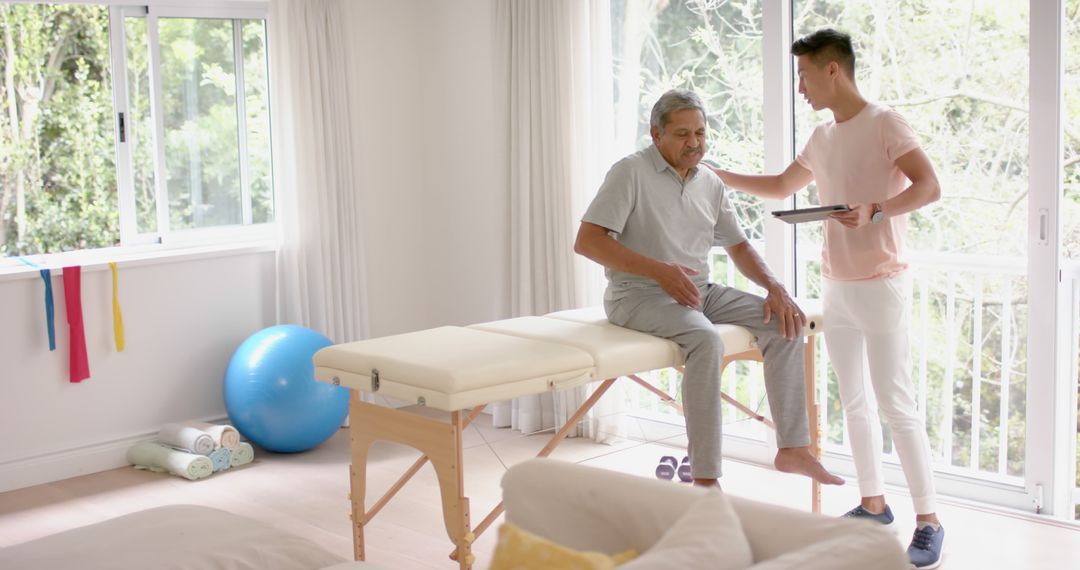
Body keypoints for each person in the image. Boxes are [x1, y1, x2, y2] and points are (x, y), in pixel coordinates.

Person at [710, 29, 944, 569]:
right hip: (837, 287)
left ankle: (929, 520)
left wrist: (876, 209)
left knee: (897, 405)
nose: (800, 87)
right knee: (854, 404)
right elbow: (777, 187)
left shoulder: (885, 122)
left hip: (883, 284)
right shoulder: (821, 137)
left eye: (804, 75)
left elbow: (929, 186)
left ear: (832, 70)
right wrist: (717, 174)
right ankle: (873, 503)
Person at [574, 88, 845, 491]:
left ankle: (793, 448)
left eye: (700, 133)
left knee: (785, 322)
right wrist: (660, 272)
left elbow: (737, 245)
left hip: (698, 290)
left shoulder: (710, 181)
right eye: (682, 134)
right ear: (656, 134)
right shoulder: (629, 172)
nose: (694, 143)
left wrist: (774, 287)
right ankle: (705, 476)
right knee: (705, 339)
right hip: (637, 295)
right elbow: (588, 241)